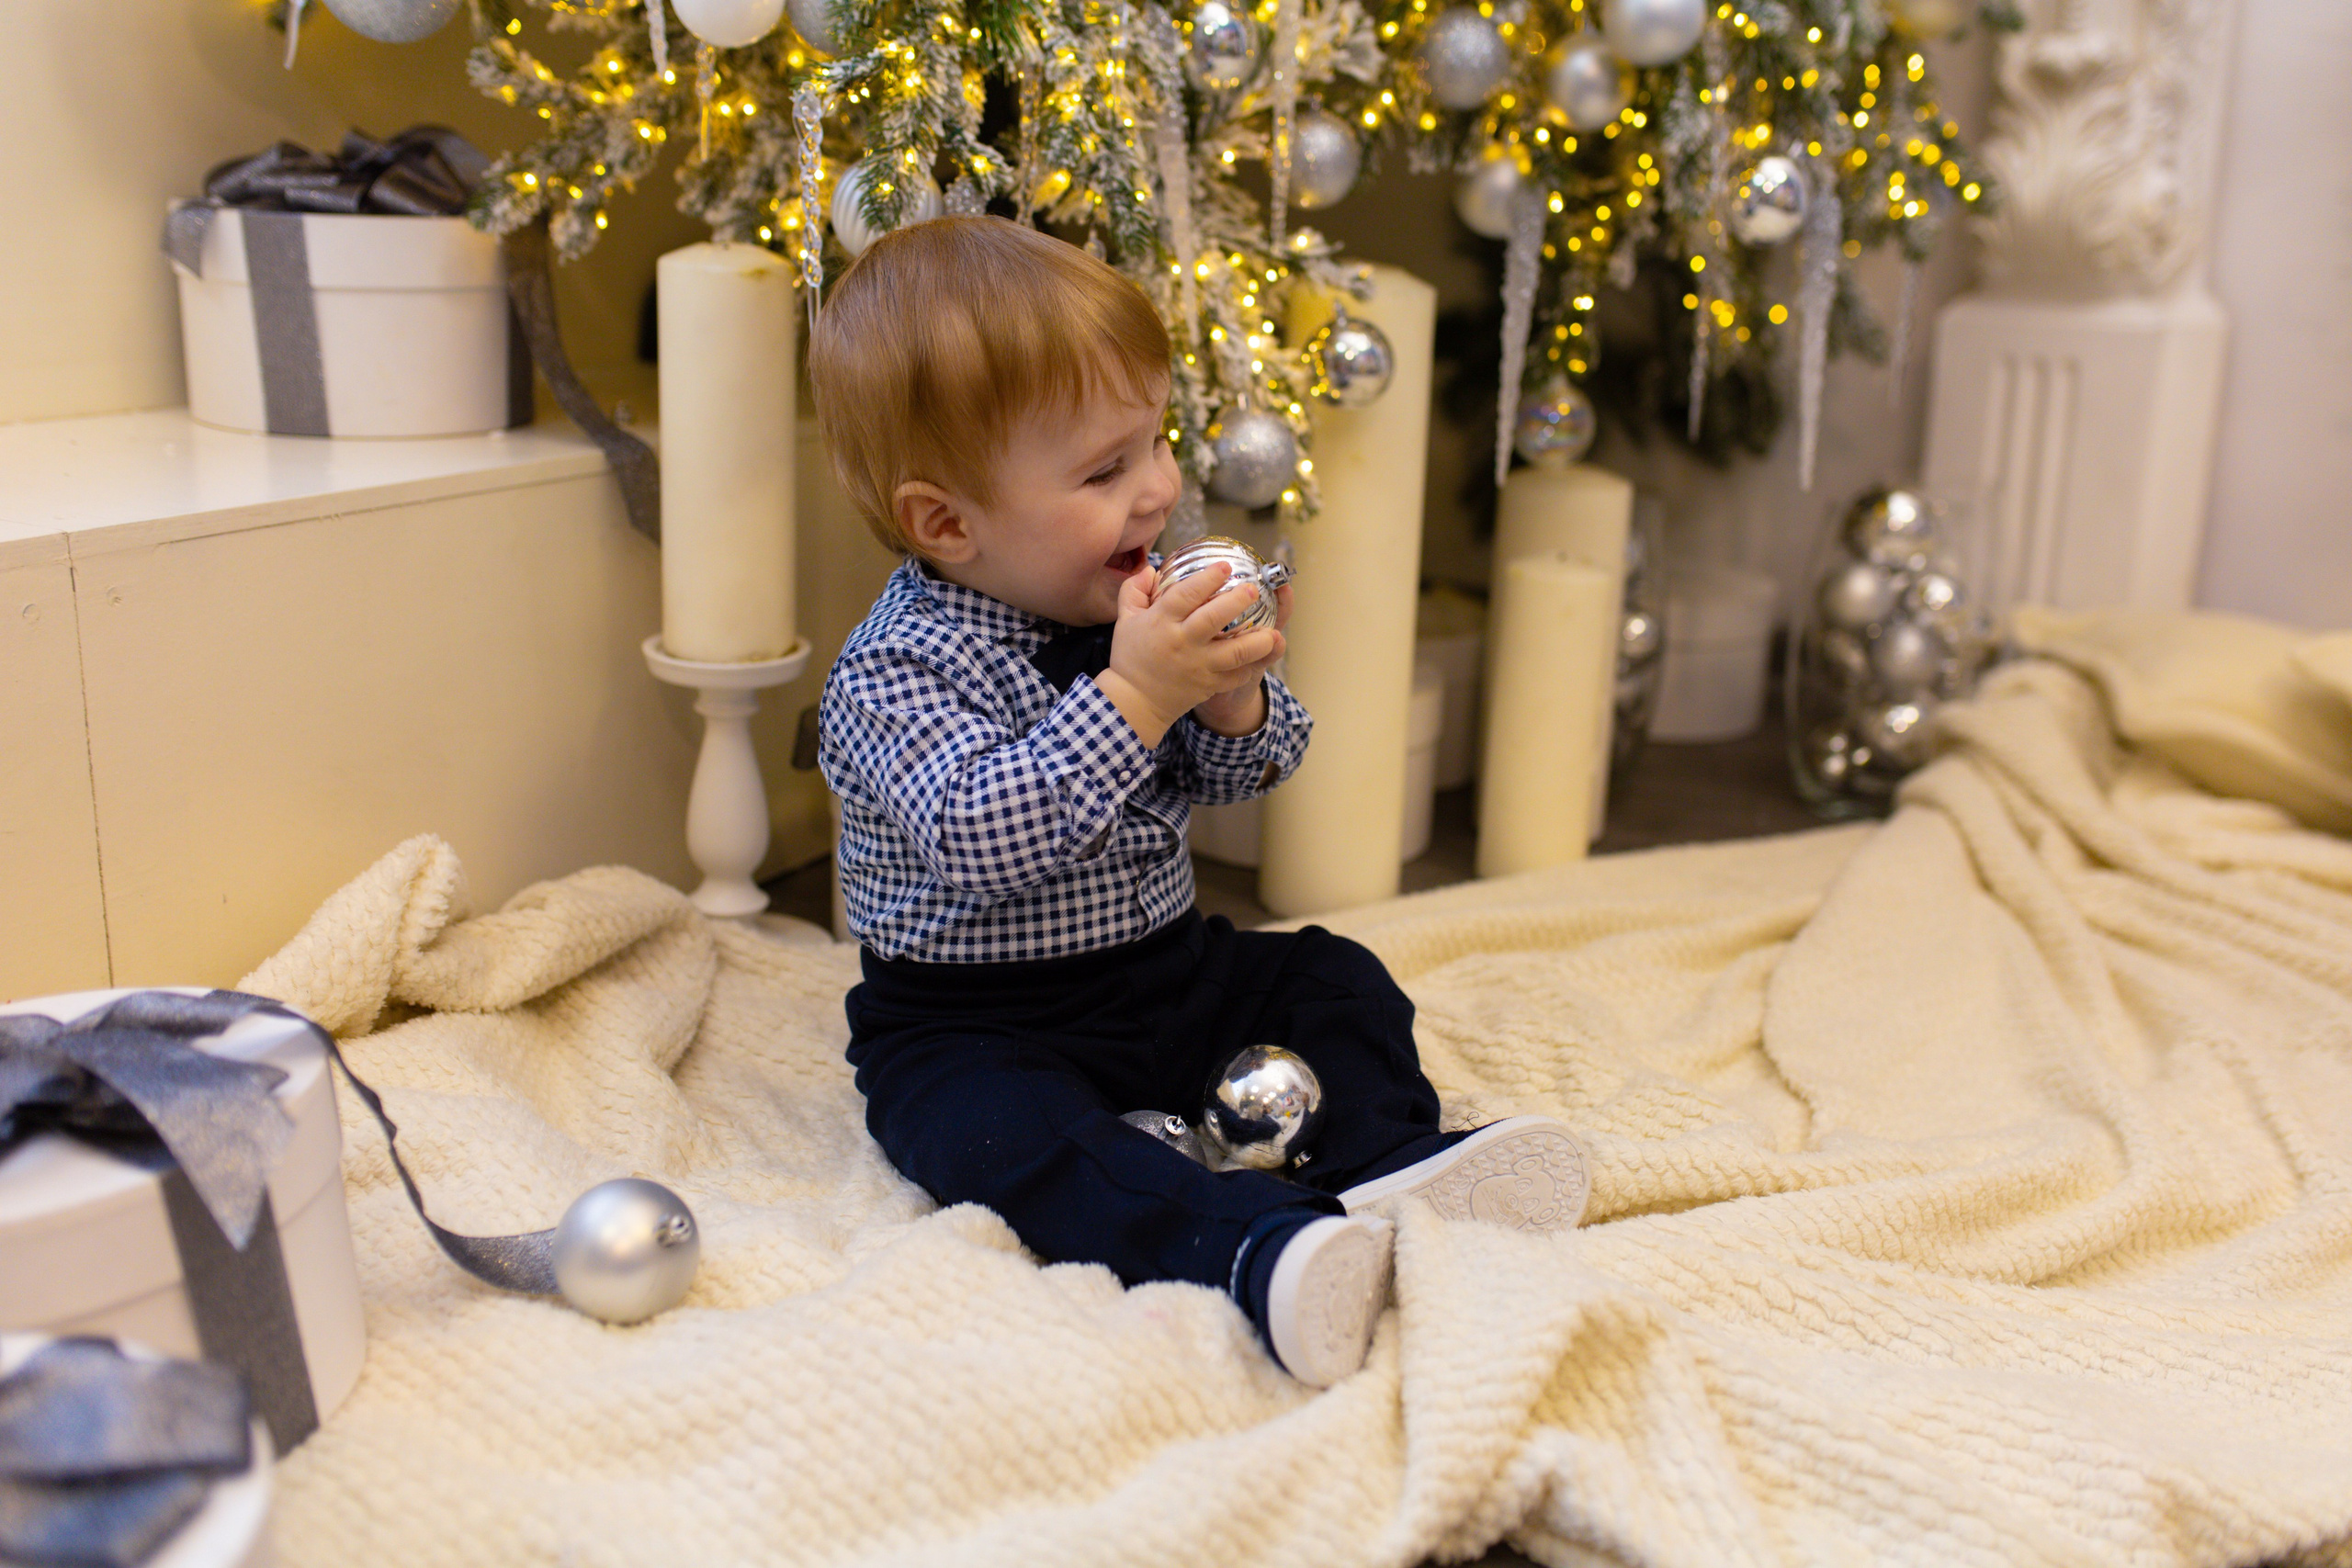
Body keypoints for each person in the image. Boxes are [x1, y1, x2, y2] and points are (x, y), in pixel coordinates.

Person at [811, 215, 1588, 1388]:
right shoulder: (893, 672)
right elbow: (982, 839)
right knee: (1003, 1142)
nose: (1161, 490)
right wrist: (1134, 693)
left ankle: (1386, 1162)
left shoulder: (1121, 615)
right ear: (947, 524)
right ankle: (1254, 1255)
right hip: (973, 1020)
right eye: (1104, 471)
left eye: (1157, 444)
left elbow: (1246, 777)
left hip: (1162, 973)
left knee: (1330, 977)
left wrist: (1227, 705)